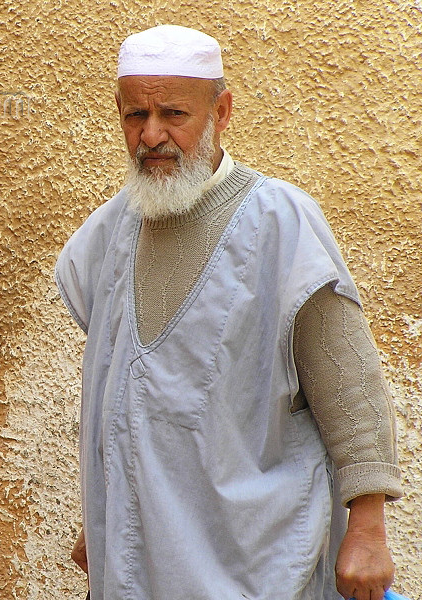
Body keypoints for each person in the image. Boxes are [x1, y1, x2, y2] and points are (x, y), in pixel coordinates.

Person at [55, 25, 403, 600]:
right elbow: (128, 392)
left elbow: (350, 385)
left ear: (221, 111)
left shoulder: (280, 221)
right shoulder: (108, 232)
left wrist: (367, 530)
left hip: (256, 563)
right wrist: (106, 518)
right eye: (135, 115)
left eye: (174, 114)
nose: (152, 135)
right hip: (137, 563)